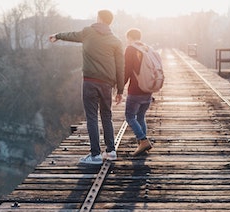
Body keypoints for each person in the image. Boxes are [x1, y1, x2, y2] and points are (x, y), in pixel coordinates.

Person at [49, 10, 124, 165]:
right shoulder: (116, 41)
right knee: (106, 116)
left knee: (91, 117)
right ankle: (110, 151)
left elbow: (72, 35)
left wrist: (57, 35)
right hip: (107, 84)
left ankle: (95, 155)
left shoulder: (88, 32)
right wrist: (120, 90)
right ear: (110, 22)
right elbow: (120, 67)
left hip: (90, 82)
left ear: (99, 18)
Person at [124, 28, 153, 156]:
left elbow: (127, 70)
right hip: (148, 89)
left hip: (135, 90)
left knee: (130, 116)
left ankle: (143, 140)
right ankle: (142, 145)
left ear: (129, 37)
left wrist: (120, 87)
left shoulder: (131, 49)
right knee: (140, 116)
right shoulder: (147, 48)